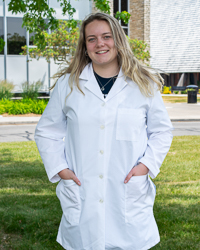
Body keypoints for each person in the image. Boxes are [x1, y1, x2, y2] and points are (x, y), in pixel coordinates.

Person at [35, 12, 173, 250]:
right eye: (92, 39)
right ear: (85, 46)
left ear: (118, 40)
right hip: (81, 193)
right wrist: (61, 170)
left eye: (106, 36)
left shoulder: (143, 84)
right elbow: (47, 132)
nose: (100, 43)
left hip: (128, 194)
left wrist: (146, 166)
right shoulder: (68, 84)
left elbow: (161, 131)